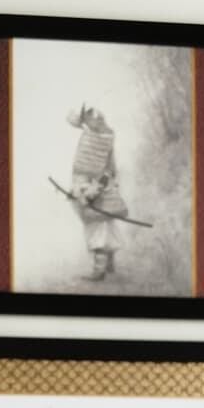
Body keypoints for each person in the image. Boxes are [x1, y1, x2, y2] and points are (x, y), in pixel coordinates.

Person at [66, 105, 128, 281]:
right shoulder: (107, 136)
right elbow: (111, 168)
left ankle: (99, 271)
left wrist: (86, 193)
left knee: (96, 227)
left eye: (89, 119)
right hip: (103, 185)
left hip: (94, 189)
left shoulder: (94, 139)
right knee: (106, 225)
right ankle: (109, 264)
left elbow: (88, 171)